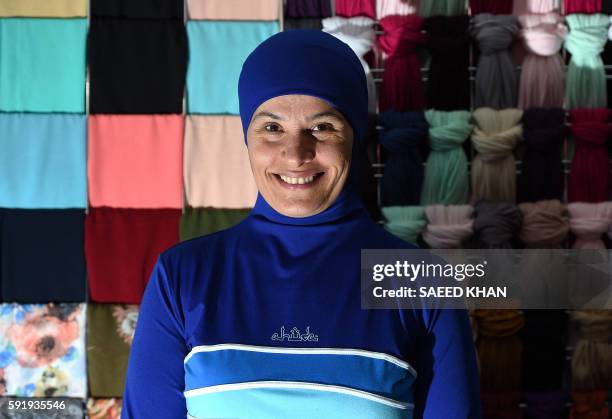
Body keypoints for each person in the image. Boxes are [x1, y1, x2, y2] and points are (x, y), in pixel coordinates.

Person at [121, 29, 481, 419]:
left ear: (355, 136)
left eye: (322, 127)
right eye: (272, 128)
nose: (295, 155)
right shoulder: (182, 277)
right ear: (247, 137)